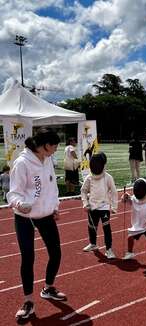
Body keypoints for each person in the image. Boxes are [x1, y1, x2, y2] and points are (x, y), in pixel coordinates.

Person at [7, 128, 66, 322]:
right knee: (28, 257)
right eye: (55, 146)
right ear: (45, 145)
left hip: (45, 215)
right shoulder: (22, 163)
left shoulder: (47, 159)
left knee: (56, 252)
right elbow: (13, 192)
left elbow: (52, 186)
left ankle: (48, 288)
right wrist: (19, 204)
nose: (56, 150)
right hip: (25, 217)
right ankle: (28, 301)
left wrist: (54, 206)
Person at [81, 152, 118, 259]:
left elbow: (114, 192)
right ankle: (93, 244)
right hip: (92, 207)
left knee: (106, 228)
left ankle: (109, 249)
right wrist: (85, 203)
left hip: (104, 207)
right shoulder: (89, 178)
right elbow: (83, 191)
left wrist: (114, 207)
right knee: (92, 226)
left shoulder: (108, 177)